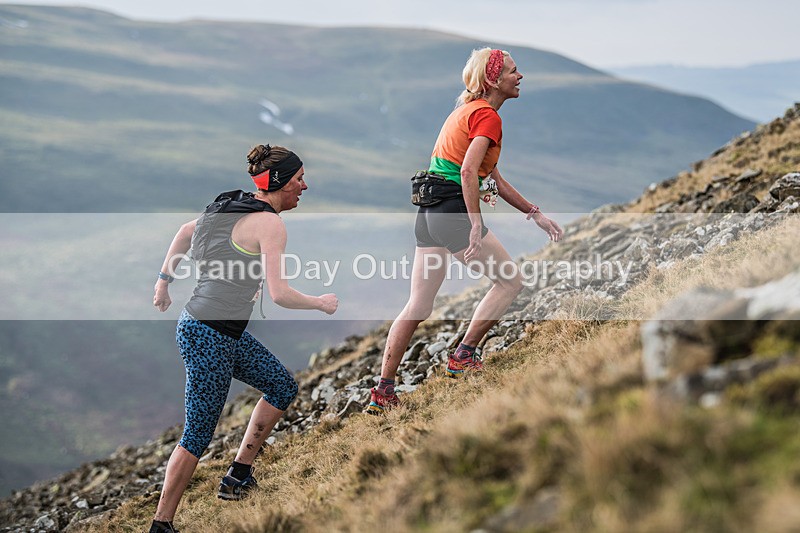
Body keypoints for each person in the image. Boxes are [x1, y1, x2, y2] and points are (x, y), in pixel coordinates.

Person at [149, 144, 338, 533]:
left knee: (282, 387)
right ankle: (161, 524)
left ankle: (237, 476)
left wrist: (164, 281)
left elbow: (185, 232)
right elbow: (281, 294)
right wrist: (320, 302)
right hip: (208, 335)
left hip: (218, 332)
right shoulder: (269, 224)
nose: (305, 186)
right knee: (197, 434)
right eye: (299, 179)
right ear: (281, 183)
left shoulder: (229, 206)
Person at [367, 47, 563, 414]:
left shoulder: (466, 113)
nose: (520, 77)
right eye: (513, 71)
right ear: (494, 80)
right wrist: (475, 224)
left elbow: (495, 180)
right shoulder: (488, 116)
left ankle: (383, 390)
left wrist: (534, 213)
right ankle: (463, 355)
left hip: (428, 213)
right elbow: (469, 173)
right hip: (454, 212)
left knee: (419, 304)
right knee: (510, 282)